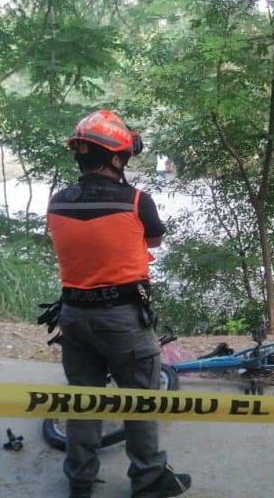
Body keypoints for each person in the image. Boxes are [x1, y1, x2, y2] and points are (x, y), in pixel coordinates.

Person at [46, 110, 191, 498]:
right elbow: (155, 241)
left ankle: (79, 478)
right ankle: (147, 480)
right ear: (115, 158)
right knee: (140, 400)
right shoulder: (137, 201)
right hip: (123, 318)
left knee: (83, 400)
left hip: (74, 316)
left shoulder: (57, 203)